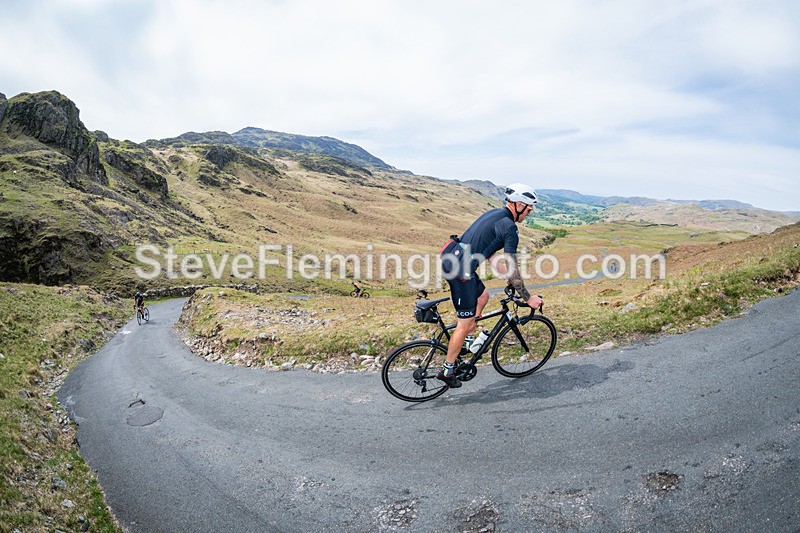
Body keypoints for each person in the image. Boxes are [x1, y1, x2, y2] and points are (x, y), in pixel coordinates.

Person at [438, 183, 544, 387]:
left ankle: (466, 343)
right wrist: (528, 298)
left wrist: (502, 273)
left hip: (454, 258)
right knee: (465, 323)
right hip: (461, 270)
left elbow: (488, 248)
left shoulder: (495, 214)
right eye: (529, 210)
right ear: (519, 205)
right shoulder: (510, 227)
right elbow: (512, 266)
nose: (529, 214)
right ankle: (447, 370)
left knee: (483, 296)